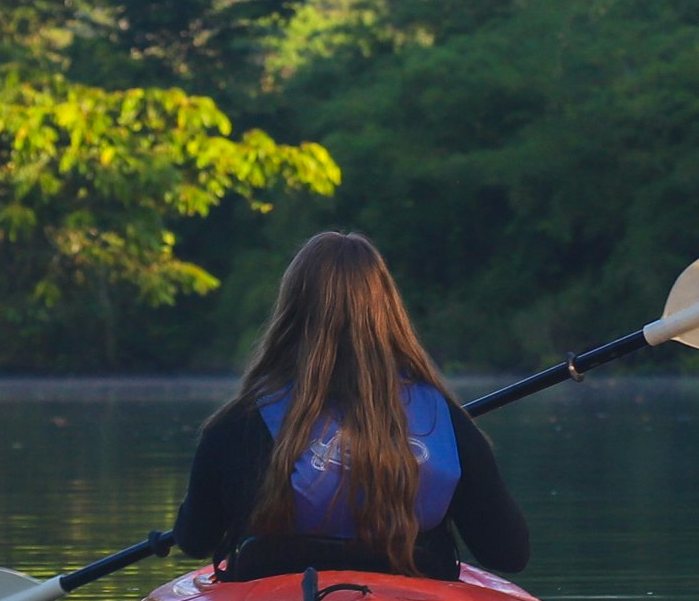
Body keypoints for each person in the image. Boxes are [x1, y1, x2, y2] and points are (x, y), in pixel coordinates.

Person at [171, 231, 530, 582]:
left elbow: (195, 540)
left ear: (291, 315)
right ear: (387, 312)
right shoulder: (446, 423)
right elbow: (509, 554)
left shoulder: (236, 426)